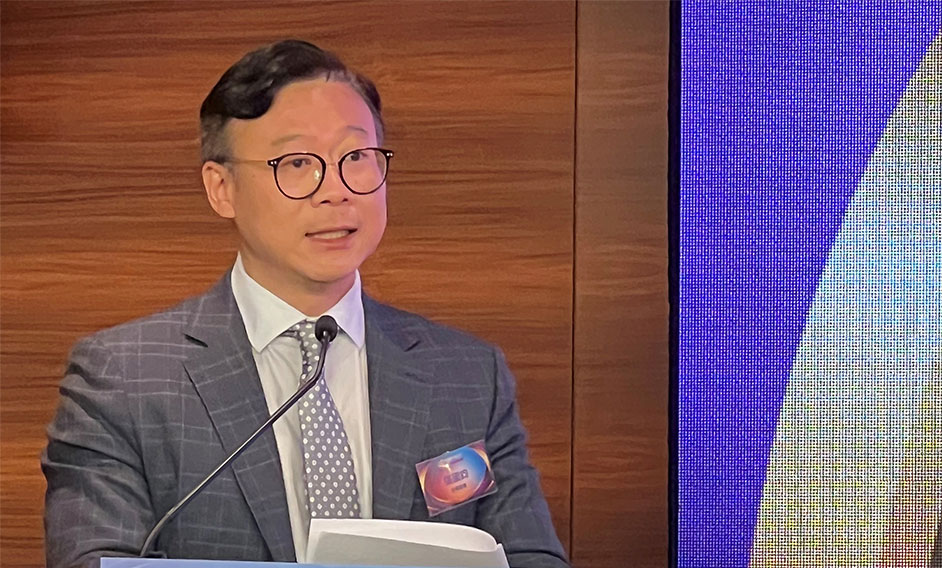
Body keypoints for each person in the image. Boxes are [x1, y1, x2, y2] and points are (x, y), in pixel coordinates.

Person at [41, 39, 568, 568]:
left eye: (355, 158)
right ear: (221, 188)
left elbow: (530, 556)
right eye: (296, 162)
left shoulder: (468, 376)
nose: (336, 190)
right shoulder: (125, 380)